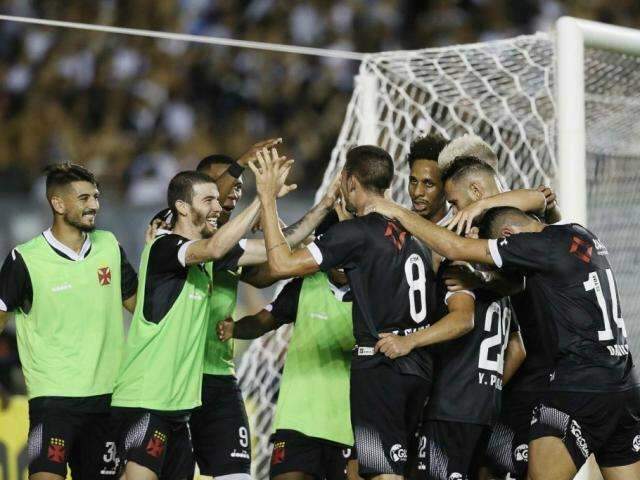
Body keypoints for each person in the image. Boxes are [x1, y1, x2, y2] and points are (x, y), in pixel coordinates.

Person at [365, 197, 640, 480]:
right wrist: (482, 281)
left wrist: (394, 211)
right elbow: (520, 281)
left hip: (577, 388)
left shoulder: (536, 245)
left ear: (508, 236)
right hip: (625, 386)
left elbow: (453, 247)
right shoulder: (579, 235)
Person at [250, 145, 475, 480]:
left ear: (348, 180)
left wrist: (267, 199)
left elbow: (280, 264)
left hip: (381, 365)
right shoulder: (412, 233)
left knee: (384, 473)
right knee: (383, 467)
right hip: (418, 369)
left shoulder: (356, 233)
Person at [111, 163, 290, 480]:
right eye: (208, 200)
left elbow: (277, 250)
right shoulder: (164, 248)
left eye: (217, 201)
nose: (218, 208)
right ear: (181, 206)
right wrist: (262, 197)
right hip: (146, 398)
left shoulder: (206, 261)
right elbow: (216, 245)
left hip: (178, 406)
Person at [187, 150, 340, 480]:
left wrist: (324, 204)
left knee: (238, 474)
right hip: (175, 379)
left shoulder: (232, 249)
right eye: (221, 184)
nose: (230, 194)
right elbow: (214, 247)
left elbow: (276, 262)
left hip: (219, 378)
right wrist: (261, 195)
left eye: (238, 187)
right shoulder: (173, 237)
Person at [0, 163, 138, 480]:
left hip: (108, 398)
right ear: (58, 204)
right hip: (54, 402)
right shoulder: (25, 259)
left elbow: (142, 310)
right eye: (84, 198)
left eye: (96, 197)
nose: (94, 205)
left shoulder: (109, 247)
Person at [437, 154, 559, 479]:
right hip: (500, 386)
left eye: (455, 203)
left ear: (476, 192)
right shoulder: (488, 243)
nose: (454, 211)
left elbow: (542, 198)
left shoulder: (516, 224)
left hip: (538, 377)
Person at [218, 211, 356, 480]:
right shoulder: (305, 285)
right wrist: (236, 328)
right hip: (296, 422)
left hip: (347, 425)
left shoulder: (373, 294)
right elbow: (266, 319)